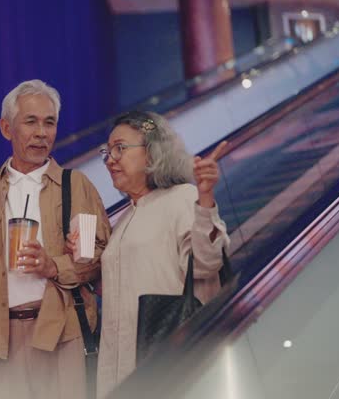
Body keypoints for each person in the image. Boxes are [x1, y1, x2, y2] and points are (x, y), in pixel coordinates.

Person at [0, 79, 111, 399]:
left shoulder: (75, 186)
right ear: (7, 129)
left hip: (63, 331)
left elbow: (99, 259)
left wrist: (54, 266)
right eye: (31, 122)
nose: (41, 132)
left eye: (49, 123)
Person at [65, 111, 230, 397]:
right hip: (118, 370)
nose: (110, 160)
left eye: (120, 149)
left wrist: (205, 200)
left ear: (153, 154)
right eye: (107, 151)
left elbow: (206, 263)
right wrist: (85, 262)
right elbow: (133, 282)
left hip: (162, 363)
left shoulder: (182, 198)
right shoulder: (126, 218)